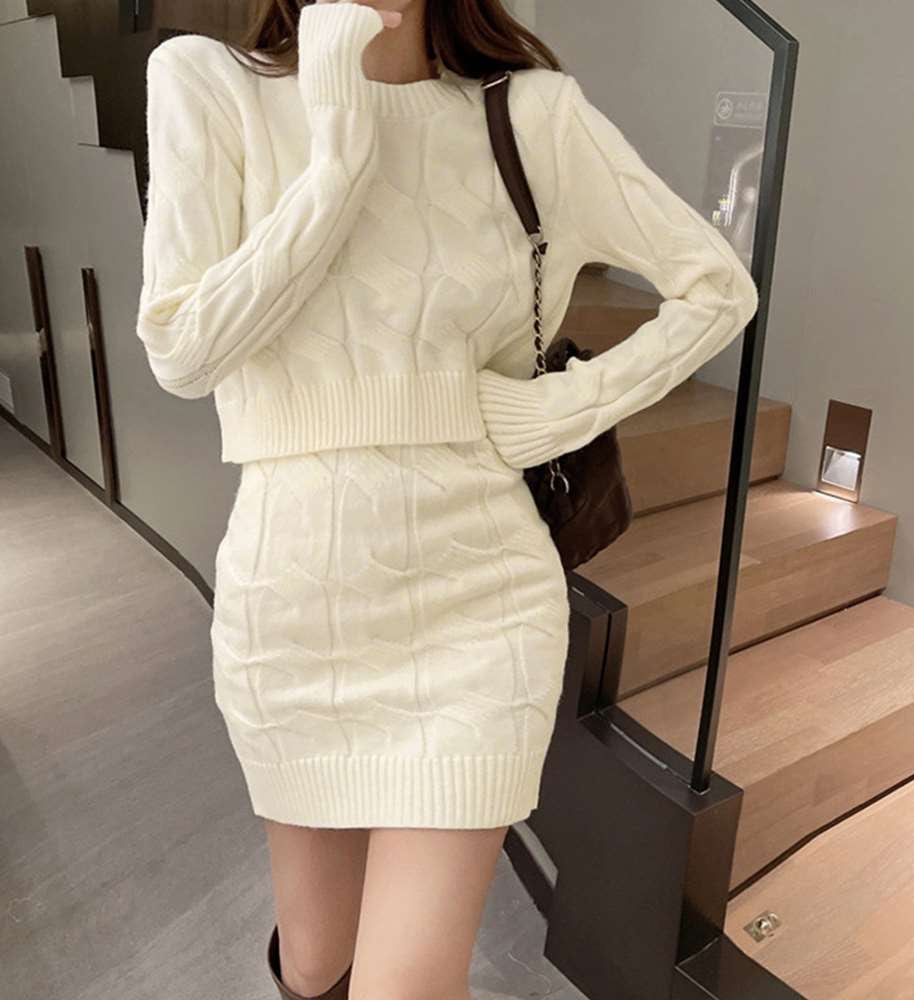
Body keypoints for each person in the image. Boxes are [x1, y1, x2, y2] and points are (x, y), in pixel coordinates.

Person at [136, 0, 759, 996]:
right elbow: (183, 351)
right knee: (316, 964)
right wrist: (339, 155)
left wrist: (553, 411)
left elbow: (718, 288)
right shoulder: (207, 83)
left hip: (479, 608)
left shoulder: (531, 114)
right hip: (292, 613)